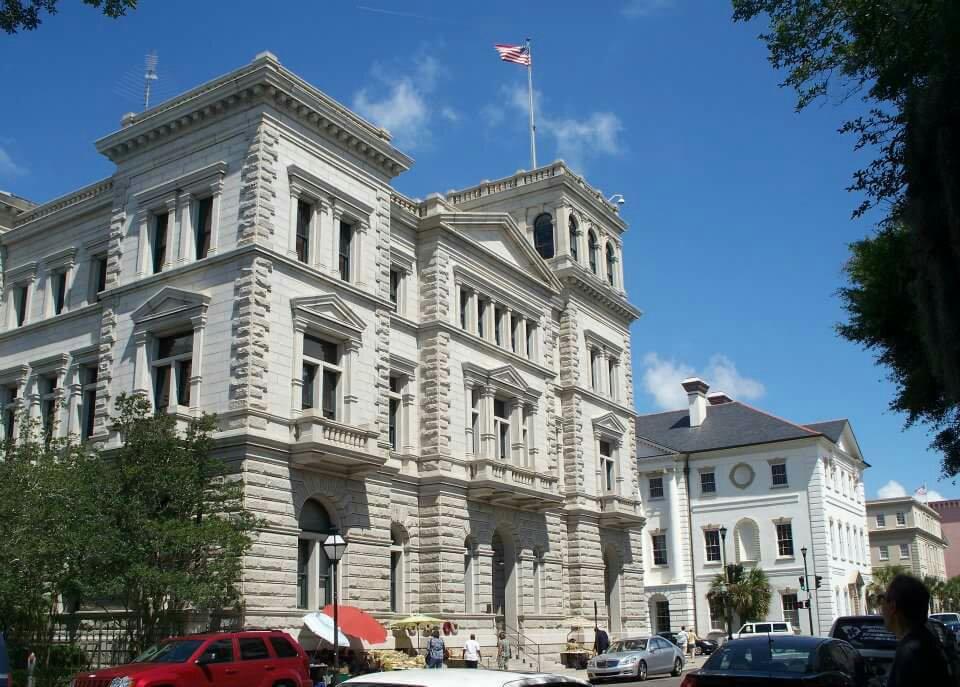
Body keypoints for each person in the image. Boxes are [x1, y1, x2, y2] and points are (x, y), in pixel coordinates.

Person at [880, 573, 951, 687]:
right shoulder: (926, 641)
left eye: (882, 599)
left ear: (893, 606)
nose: (881, 607)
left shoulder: (910, 652)